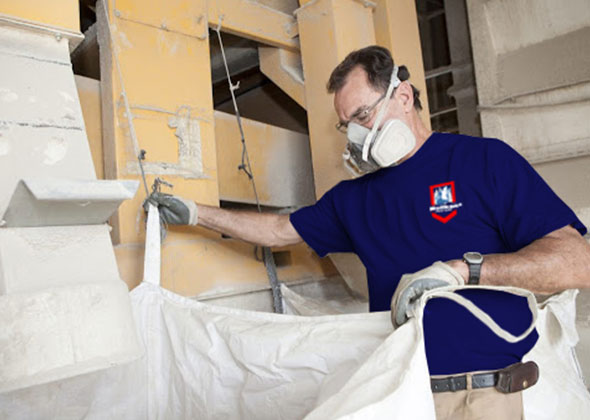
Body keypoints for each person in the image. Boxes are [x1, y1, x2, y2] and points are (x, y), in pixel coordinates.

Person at [146, 46, 590, 419]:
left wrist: (464, 271)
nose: (357, 134)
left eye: (362, 114)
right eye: (347, 125)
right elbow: (280, 230)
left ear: (403, 95)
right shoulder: (355, 200)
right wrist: (197, 213)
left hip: (485, 395)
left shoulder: (483, 161)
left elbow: (578, 263)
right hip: (400, 393)